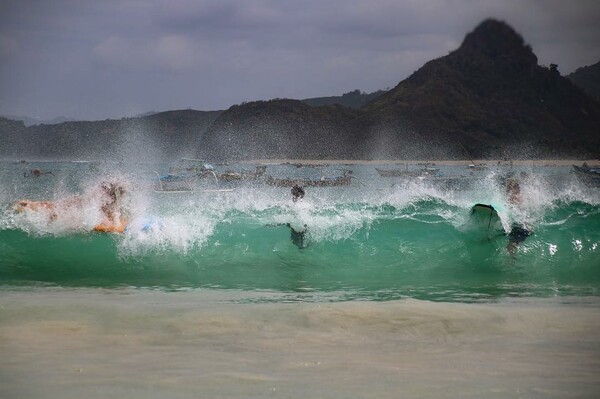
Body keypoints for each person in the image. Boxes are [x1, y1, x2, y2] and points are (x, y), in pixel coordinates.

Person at [13, 181, 128, 233]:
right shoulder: (98, 209)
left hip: (68, 211)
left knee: (51, 207)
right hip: (64, 215)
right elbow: (113, 228)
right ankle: (26, 205)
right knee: (51, 209)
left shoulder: (110, 211)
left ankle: (27, 205)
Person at [505, 178, 532, 254]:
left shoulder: (515, 197)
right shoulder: (519, 196)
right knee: (512, 245)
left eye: (510, 187)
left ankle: (512, 262)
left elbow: (514, 210)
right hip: (522, 226)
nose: (508, 189)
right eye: (508, 188)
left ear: (516, 188)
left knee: (511, 246)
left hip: (520, 226)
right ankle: (512, 260)